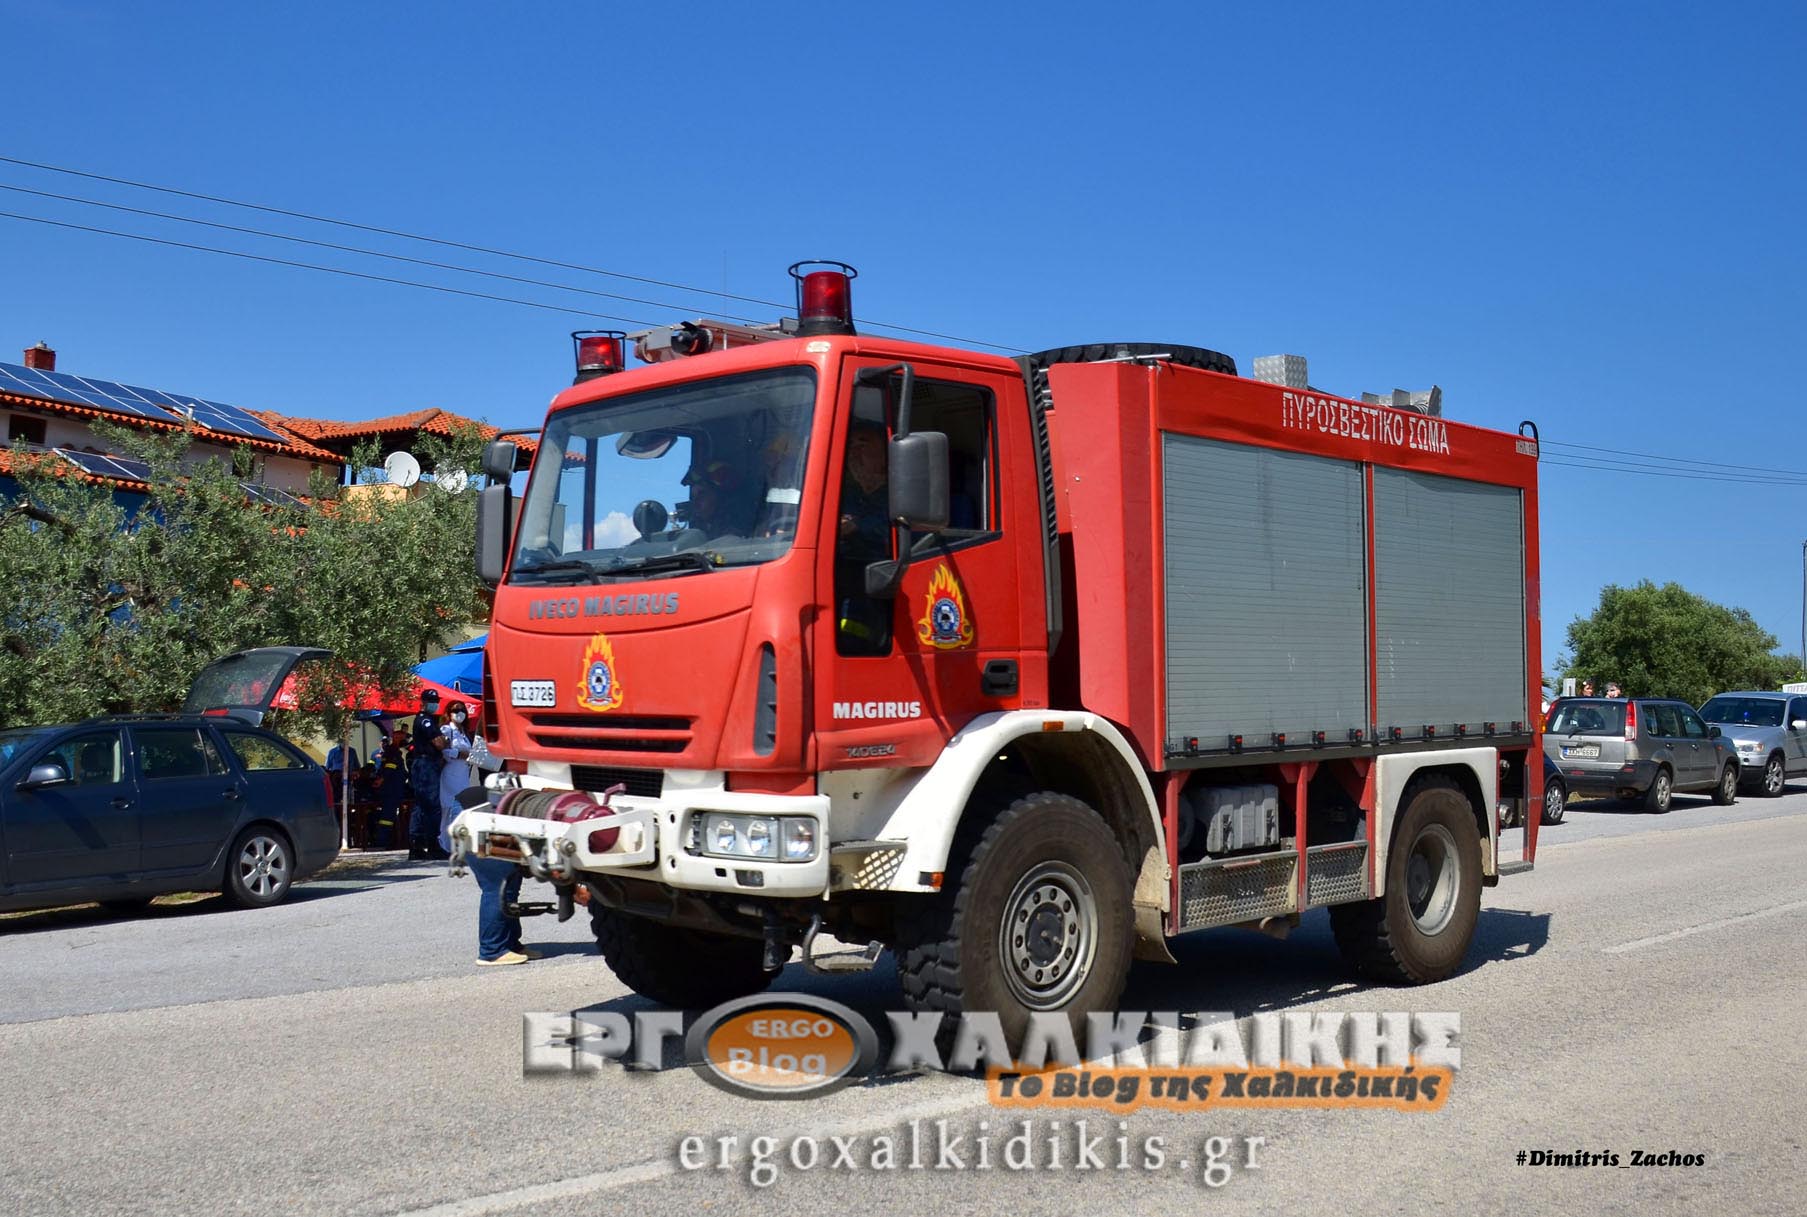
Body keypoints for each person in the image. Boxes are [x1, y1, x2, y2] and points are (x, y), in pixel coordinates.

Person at [408, 689, 448, 860]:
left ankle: (417, 844)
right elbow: (440, 743)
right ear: (423, 701)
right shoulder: (425, 721)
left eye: (436, 700)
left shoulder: (428, 720)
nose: (435, 703)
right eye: (432, 700)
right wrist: (446, 741)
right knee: (431, 806)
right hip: (426, 765)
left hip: (424, 764)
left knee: (421, 805)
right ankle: (432, 844)